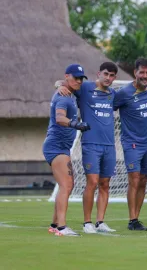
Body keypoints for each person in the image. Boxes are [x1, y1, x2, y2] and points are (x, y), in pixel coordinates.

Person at [57, 62, 119, 233]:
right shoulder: (84, 89)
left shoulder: (113, 94)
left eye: (112, 75)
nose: (108, 78)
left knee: (105, 183)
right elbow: (66, 83)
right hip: (91, 144)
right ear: (99, 73)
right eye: (106, 74)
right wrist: (59, 85)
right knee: (92, 182)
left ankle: (100, 222)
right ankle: (87, 223)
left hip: (109, 145)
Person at [43, 64, 90, 236]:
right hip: (56, 146)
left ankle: (55, 225)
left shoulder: (70, 93)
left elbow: (60, 82)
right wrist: (75, 124)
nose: (78, 81)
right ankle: (62, 228)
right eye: (75, 77)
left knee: (68, 185)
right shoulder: (63, 97)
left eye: (80, 78)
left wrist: (60, 83)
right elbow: (59, 117)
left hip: (61, 147)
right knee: (66, 185)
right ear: (67, 76)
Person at [114, 58, 147, 231]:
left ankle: (137, 219)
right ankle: (132, 220)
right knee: (134, 179)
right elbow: (106, 104)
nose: (145, 76)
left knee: (144, 180)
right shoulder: (124, 93)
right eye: (142, 72)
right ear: (135, 73)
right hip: (131, 143)